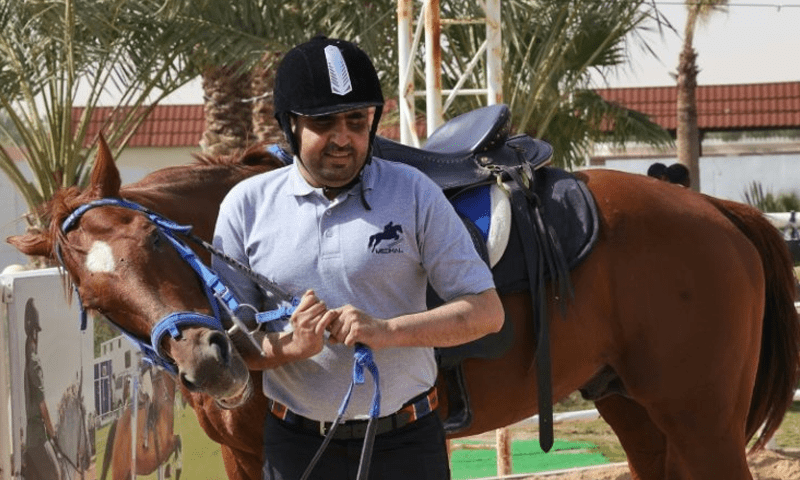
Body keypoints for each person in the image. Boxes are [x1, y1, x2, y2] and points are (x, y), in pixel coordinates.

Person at [212, 35, 504, 480]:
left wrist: (387, 331)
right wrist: (291, 346)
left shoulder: (414, 192)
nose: (343, 138)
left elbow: (487, 312)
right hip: (296, 448)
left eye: (356, 120)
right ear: (290, 125)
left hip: (408, 443)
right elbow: (232, 347)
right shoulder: (244, 207)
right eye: (323, 122)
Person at [22, 298, 61, 480]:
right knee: (56, 474)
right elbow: (42, 405)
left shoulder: (27, 361)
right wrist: (52, 434)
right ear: (35, 333)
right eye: (37, 332)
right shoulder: (34, 362)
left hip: (31, 439)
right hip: (39, 437)